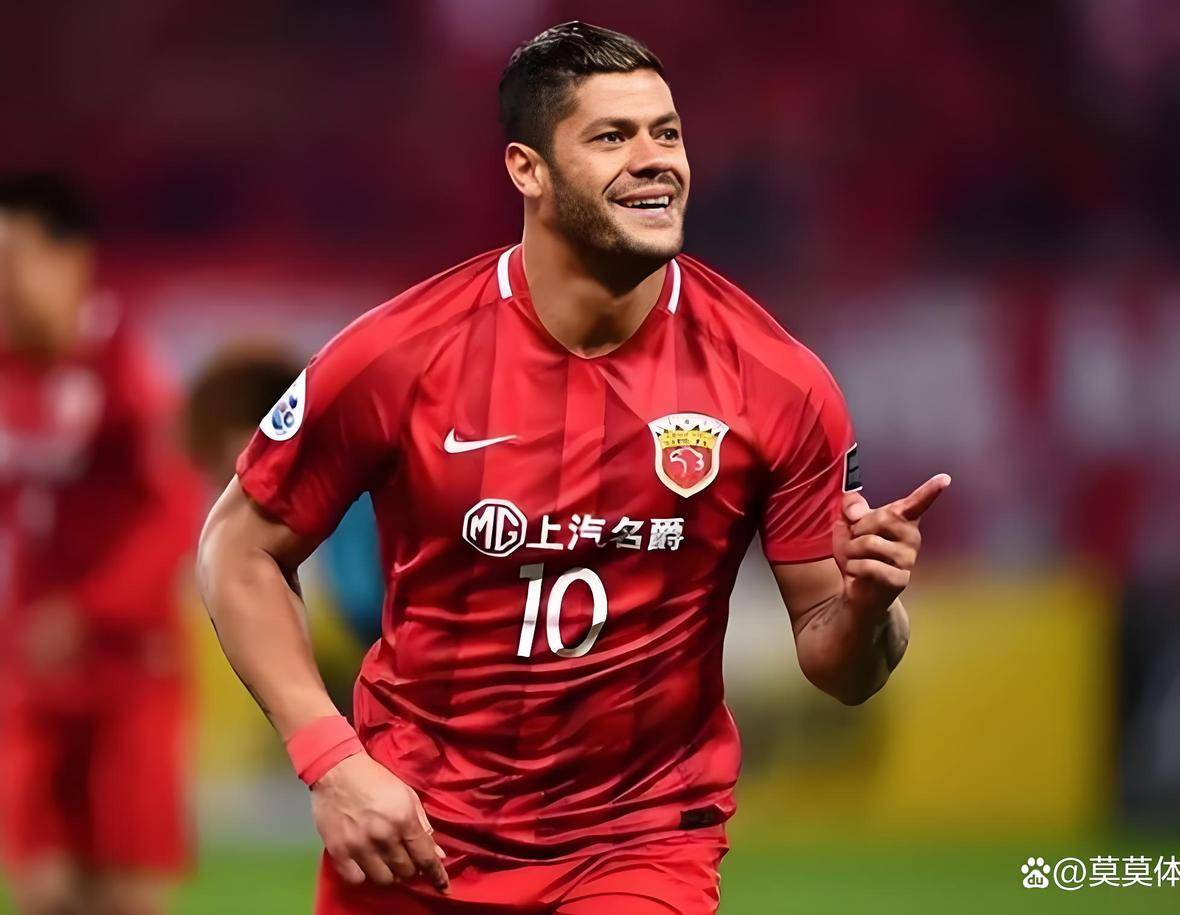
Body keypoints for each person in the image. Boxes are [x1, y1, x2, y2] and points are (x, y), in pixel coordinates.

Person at [197, 21, 949, 915]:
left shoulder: (779, 381)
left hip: (639, 846)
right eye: (613, 136)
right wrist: (332, 760)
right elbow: (237, 547)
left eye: (666, 132)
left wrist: (868, 608)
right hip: (411, 836)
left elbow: (842, 665)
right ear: (529, 170)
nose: (655, 159)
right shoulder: (397, 357)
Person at [0, 173, 200, 915]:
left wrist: (88, 612)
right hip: (28, 668)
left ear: (71, 260)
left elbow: (173, 516)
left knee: (125, 891)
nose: (4, 284)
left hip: (125, 670)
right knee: (43, 886)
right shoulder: (8, 369)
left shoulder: (127, 369)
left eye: (14, 259)